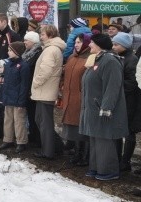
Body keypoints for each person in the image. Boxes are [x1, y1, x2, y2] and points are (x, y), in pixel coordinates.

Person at [80, 34, 129, 181]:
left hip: (103, 109)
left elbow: (112, 87)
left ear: (100, 44)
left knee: (104, 140)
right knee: (96, 139)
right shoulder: (97, 59)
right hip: (93, 107)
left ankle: (108, 170)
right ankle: (96, 167)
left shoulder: (110, 61)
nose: (89, 45)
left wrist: (107, 107)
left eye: (92, 43)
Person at [31, 25, 65, 159]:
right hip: (44, 90)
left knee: (44, 122)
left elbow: (46, 69)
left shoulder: (51, 50)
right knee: (41, 120)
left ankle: (48, 151)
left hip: (45, 90)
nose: (41, 36)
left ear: (50, 35)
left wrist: (36, 82)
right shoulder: (51, 49)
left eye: (43, 34)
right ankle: (55, 147)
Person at [111, 32, 141, 172]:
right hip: (119, 98)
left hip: (129, 100)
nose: (114, 46)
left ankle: (125, 160)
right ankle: (117, 157)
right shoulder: (117, 56)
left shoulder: (132, 59)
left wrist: (117, 87)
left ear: (124, 45)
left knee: (129, 130)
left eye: (116, 44)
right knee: (117, 128)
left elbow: (132, 83)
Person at [60, 33, 92, 166]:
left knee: (82, 127)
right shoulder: (72, 57)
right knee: (73, 127)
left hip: (81, 98)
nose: (77, 45)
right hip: (69, 96)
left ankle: (85, 156)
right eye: (76, 42)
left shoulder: (90, 58)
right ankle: (76, 152)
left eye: (79, 42)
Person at [0, 42, 30, 153]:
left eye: (10, 50)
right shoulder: (8, 64)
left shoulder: (24, 66)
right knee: (8, 120)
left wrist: (21, 101)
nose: (8, 52)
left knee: (19, 121)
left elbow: (24, 85)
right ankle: (8, 139)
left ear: (17, 52)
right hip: (8, 97)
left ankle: (21, 142)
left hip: (17, 98)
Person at [22, 31, 43, 148]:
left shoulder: (37, 52)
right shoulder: (27, 52)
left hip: (33, 86)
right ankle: (33, 134)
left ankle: (37, 137)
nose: (24, 42)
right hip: (27, 85)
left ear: (33, 41)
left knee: (34, 113)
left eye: (27, 40)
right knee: (30, 113)